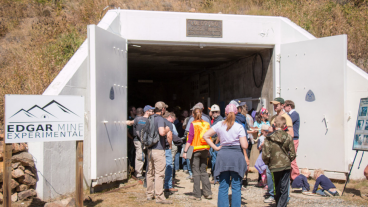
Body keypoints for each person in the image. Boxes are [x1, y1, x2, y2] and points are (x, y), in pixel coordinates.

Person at [203, 103, 249, 207]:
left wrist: (215, 147)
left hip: (223, 155)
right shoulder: (239, 126)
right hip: (236, 156)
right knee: (236, 186)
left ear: (225, 112)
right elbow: (244, 145)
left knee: (223, 185)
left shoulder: (219, 124)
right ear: (236, 113)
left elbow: (205, 135)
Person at [262, 116, 296, 207]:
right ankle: (282, 205)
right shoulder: (288, 137)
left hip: (274, 165)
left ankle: (278, 203)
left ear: (274, 124)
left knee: (276, 185)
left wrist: (268, 162)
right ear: (284, 125)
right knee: (284, 187)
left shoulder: (269, 138)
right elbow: (293, 153)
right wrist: (289, 160)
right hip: (285, 165)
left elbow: (265, 154)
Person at [183, 108, 213, 201]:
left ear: (193, 115)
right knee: (203, 171)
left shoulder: (193, 124)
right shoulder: (207, 124)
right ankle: (208, 193)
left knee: (196, 172)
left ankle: (197, 194)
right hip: (205, 149)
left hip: (195, 150)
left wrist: (185, 151)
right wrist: (209, 149)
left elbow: (190, 138)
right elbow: (209, 136)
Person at [146, 101, 172, 204]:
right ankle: (159, 197)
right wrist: (167, 129)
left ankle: (149, 194)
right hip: (158, 148)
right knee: (159, 173)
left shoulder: (150, 118)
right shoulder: (161, 119)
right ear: (163, 109)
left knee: (150, 172)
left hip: (150, 149)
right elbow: (161, 132)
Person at [133, 106, 154, 179]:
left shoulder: (148, 120)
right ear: (147, 111)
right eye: (152, 111)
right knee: (140, 156)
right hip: (140, 141)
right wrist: (143, 142)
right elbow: (139, 132)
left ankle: (143, 171)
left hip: (144, 141)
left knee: (145, 156)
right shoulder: (141, 120)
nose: (153, 112)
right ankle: (138, 174)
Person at [284, 100, 300, 180]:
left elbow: (286, 123)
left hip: (294, 139)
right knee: (289, 159)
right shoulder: (289, 115)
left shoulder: (294, 115)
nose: (284, 108)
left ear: (289, 106)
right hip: (289, 139)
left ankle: (296, 178)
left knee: (292, 159)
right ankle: (291, 178)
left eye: (284, 107)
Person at [162, 112, 178, 193]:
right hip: (168, 146)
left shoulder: (159, 122)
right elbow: (173, 134)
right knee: (169, 165)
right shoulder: (170, 124)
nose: (173, 122)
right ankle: (168, 185)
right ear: (169, 117)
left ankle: (161, 183)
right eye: (173, 120)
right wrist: (170, 146)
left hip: (160, 147)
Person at [209, 104, 223, 182]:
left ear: (219, 112)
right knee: (214, 160)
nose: (214, 113)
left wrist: (215, 142)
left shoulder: (220, 120)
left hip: (217, 143)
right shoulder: (215, 120)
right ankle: (216, 176)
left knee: (216, 161)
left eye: (216, 112)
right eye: (213, 112)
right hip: (214, 143)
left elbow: (220, 133)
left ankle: (217, 177)